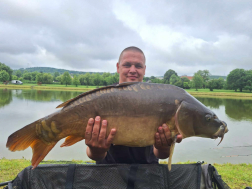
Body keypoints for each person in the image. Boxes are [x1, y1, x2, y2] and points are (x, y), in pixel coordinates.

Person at [85, 46, 182, 164]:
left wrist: (164, 147)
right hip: (108, 174)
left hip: (147, 173)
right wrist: (96, 151)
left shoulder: (157, 100)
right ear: (117, 67)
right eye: (127, 65)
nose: (132, 70)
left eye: (138, 66)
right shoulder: (102, 98)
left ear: (144, 69)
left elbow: (161, 155)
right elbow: (93, 155)